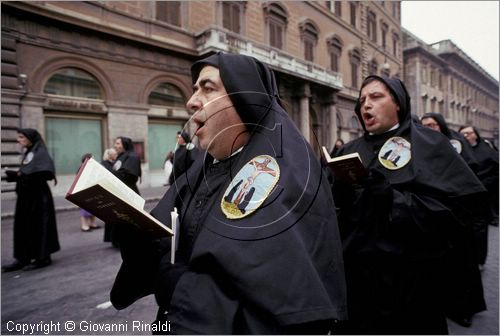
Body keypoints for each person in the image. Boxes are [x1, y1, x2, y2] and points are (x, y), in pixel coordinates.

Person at [110, 53, 347, 334]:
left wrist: (181, 287)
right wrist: (133, 234)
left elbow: (274, 304)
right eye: (195, 88)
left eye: (207, 88)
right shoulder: (201, 170)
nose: (191, 100)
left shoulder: (283, 174)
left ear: (246, 99)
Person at [330, 75, 489, 334]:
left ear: (398, 105)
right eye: (361, 101)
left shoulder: (431, 144)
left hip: (412, 281)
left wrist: (392, 199)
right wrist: (339, 192)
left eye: (376, 97)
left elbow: (462, 208)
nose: (365, 105)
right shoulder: (348, 150)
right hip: (357, 280)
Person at [421, 112, 487, 328]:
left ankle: (465, 309)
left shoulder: (456, 143)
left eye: (433, 124)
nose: (429, 128)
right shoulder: (420, 144)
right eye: (425, 125)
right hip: (434, 212)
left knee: (462, 265)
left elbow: (471, 172)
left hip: (458, 212)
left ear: (441, 125)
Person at [2, 128, 60, 272]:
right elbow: (28, 172)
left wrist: (22, 174)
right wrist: (16, 175)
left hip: (38, 199)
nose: (18, 140)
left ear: (30, 138)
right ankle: (23, 257)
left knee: (39, 226)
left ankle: (42, 257)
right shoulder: (29, 152)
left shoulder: (40, 153)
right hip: (26, 198)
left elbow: (44, 172)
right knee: (23, 227)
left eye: (21, 137)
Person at [104, 137, 142, 245]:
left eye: (117, 143)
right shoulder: (121, 157)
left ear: (124, 144)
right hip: (119, 193)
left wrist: (109, 174)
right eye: (115, 143)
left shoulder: (132, 156)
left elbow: (130, 175)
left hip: (128, 194)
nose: (115, 146)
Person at [459, 125, 499, 228]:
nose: (465, 136)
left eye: (468, 133)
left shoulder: (487, 150)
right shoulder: (458, 150)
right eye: (463, 134)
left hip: (486, 188)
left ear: (475, 135)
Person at [78, 153, 99, 232]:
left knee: (93, 209)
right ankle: (84, 226)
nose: (94, 160)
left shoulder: (91, 168)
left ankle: (92, 224)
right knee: (85, 210)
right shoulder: (82, 168)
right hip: (85, 192)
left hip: (92, 190)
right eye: (92, 159)